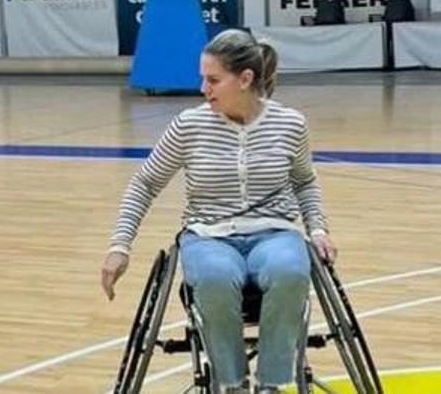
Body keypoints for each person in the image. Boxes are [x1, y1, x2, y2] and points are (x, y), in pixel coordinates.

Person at [102, 29, 337, 394]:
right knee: (214, 278)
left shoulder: (290, 124)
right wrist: (120, 246)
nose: (202, 89)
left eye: (213, 80)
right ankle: (232, 384)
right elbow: (144, 184)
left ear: (245, 79)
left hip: (273, 230)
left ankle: (271, 384)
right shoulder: (189, 126)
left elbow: (305, 182)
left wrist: (318, 229)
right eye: (203, 79)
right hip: (207, 234)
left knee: (290, 270)